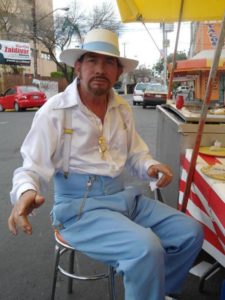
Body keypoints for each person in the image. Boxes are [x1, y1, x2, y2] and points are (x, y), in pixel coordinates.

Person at [8, 28, 203, 300]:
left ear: (118, 72)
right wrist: (26, 192)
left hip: (123, 198)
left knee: (190, 232)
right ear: (78, 67)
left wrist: (149, 165)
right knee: (146, 249)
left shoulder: (121, 108)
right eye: (92, 60)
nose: (100, 69)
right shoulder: (54, 111)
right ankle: (147, 283)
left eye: (109, 62)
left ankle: (160, 290)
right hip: (80, 209)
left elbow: (135, 154)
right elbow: (30, 167)